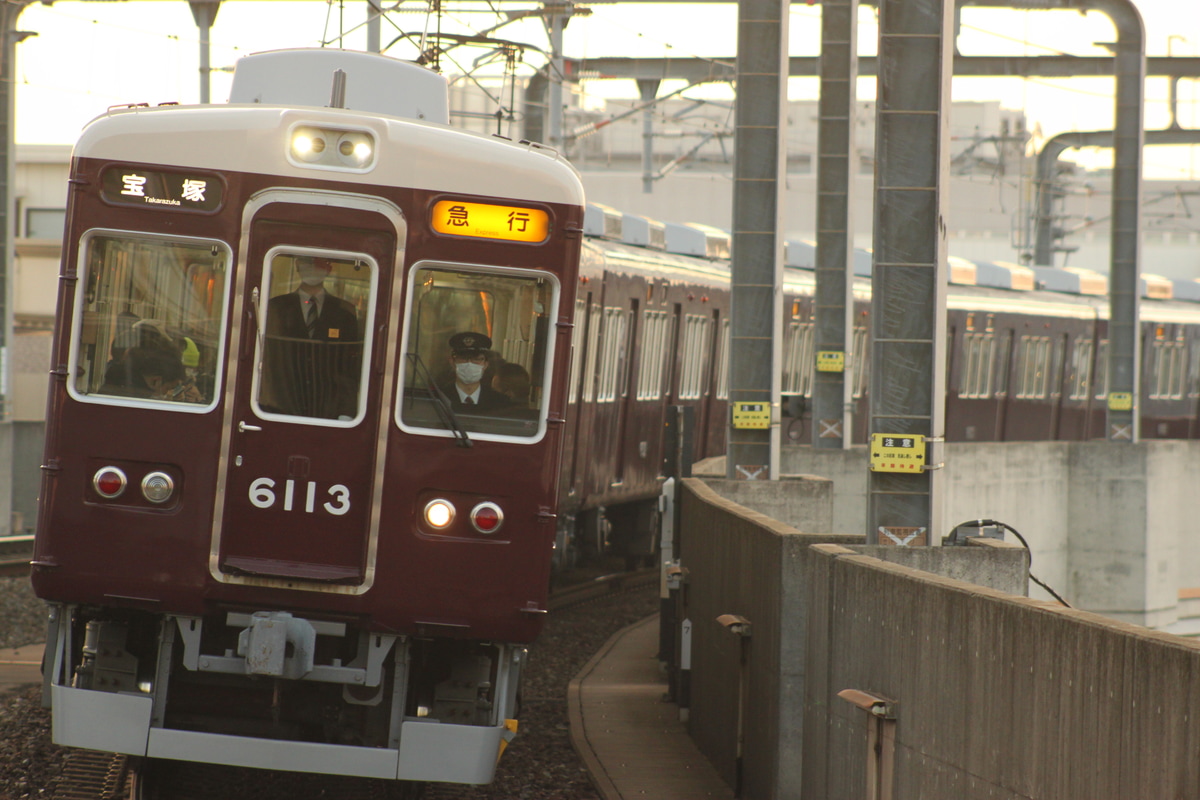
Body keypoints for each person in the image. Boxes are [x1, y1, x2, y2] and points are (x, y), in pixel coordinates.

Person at [261, 256, 362, 419]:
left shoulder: (345, 312)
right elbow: (266, 359)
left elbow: (349, 366)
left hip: (327, 407)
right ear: (297, 265)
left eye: (319, 263)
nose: (313, 268)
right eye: (307, 262)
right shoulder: (275, 308)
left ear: (329, 268)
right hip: (281, 405)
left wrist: (347, 411)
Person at [439, 332, 511, 412]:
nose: (469, 364)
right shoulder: (439, 398)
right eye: (463, 358)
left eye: (476, 359)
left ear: (485, 364)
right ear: (452, 362)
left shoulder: (500, 402)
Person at [100, 346, 200, 402]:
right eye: (168, 388)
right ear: (156, 381)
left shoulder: (117, 384)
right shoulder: (137, 401)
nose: (167, 394)